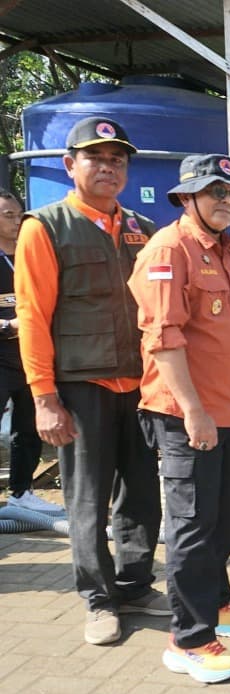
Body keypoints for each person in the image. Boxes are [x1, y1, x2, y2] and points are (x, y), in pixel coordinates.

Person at [14, 116, 168, 646]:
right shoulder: (46, 227)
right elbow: (33, 316)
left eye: (117, 159)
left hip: (140, 387)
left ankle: (134, 585)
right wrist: (44, 398)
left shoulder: (142, 229)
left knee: (143, 495)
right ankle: (99, 601)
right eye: (95, 157)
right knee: (86, 500)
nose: (107, 167)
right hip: (80, 390)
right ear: (69, 164)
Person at [128, 154, 230, 683]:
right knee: (192, 525)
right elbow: (163, 340)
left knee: (226, 517)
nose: (226, 201)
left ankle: (219, 605)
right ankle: (189, 639)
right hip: (190, 415)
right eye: (214, 192)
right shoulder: (168, 249)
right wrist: (194, 411)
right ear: (186, 197)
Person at [0, 189, 61, 513]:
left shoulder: (31, 255)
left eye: (18, 215)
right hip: (2, 355)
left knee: (28, 429)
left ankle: (21, 494)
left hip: (29, 359)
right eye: (7, 216)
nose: (15, 221)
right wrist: (8, 326)